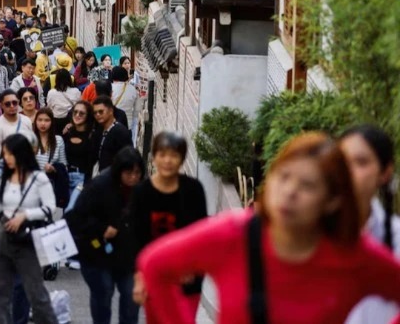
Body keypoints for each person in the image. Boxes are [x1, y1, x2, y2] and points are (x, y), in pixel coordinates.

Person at [136, 132, 400, 323]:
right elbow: (154, 264)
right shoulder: (233, 234)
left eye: (307, 186)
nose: (289, 192)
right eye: (283, 177)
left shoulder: (352, 255)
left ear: (332, 201)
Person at [0, 134, 59, 324]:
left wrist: (25, 215)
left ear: (20, 153)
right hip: (3, 233)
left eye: (9, 154)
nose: (5, 158)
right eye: (4, 153)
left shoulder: (38, 178)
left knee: (35, 290)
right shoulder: (6, 176)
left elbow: (50, 207)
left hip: (26, 236)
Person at [131, 131, 207, 321]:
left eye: (174, 155)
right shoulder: (142, 192)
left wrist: (192, 265)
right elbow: (135, 239)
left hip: (188, 278)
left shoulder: (193, 190)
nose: (168, 160)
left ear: (181, 159)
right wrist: (139, 278)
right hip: (155, 276)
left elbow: (201, 234)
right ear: (154, 156)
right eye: (162, 155)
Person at [67, 147, 144, 324]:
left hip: (127, 254)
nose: (133, 177)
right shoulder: (100, 185)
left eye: (137, 173)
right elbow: (75, 217)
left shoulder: (140, 189)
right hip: (96, 252)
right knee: (104, 292)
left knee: (131, 296)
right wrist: (101, 228)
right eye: (129, 173)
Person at [340, 125, 400, 324]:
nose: (348, 171)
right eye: (341, 162)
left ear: (385, 172)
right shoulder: (308, 233)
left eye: (361, 162)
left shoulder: (397, 237)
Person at [0, 90, 34, 158]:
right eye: (7, 104)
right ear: (1, 106)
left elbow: (32, 145)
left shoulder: (27, 121)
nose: (12, 106)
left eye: (14, 103)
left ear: (18, 102)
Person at [92, 96, 133, 172]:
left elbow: (128, 158)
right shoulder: (99, 131)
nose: (97, 115)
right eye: (95, 113)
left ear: (111, 111)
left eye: (101, 111)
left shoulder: (120, 132)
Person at [64, 100, 96, 186]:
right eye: (75, 112)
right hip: (65, 177)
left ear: (88, 116)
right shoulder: (67, 132)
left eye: (81, 113)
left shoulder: (92, 136)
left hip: (82, 179)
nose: (77, 115)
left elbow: (92, 164)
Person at [33, 108, 67, 177]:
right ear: (35, 121)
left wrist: (53, 169)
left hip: (51, 182)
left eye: (47, 120)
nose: (43, 123)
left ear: (52, 122)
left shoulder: (58, 140)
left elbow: (64, 166)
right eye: (40, 120)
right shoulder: (30, 139)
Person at [47, 69, 81, 134]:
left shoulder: (51, 92)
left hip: (55, 121)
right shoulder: (75, 91)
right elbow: (78, 106)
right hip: (70, 121)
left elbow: (49, 107)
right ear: (69, 79)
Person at [111, 67, 138, 133]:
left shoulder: (110, 88)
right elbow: (137, 109)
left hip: (112, 123)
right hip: (127, 124)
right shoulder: (133, 89)